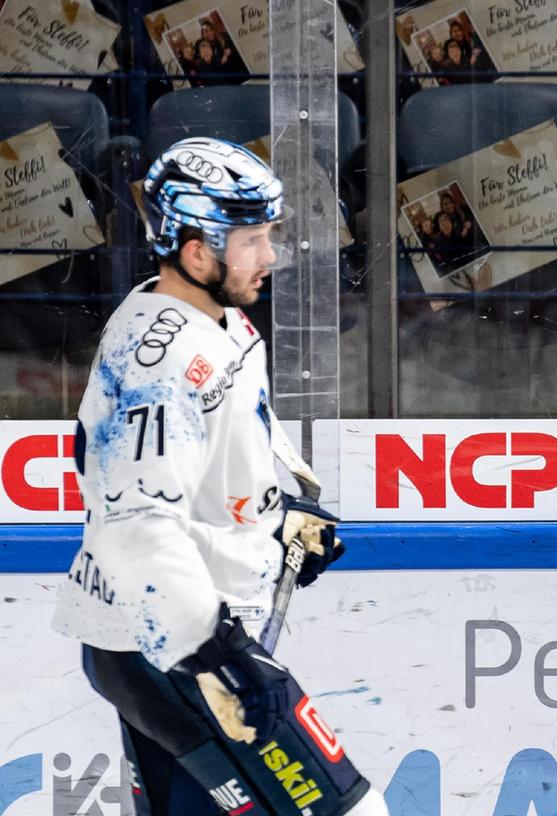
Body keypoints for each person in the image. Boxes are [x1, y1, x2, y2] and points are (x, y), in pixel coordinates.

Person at [50, 137, 389, 816]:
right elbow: (137, 524)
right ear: (196, 249)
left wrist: (280, 509)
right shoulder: (163, 363)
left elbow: (229, 438)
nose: (270, 255)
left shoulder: (214, 321)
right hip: (168, 645)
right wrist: (215, 655)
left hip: (156, 639)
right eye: (252, 239)